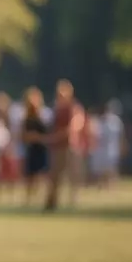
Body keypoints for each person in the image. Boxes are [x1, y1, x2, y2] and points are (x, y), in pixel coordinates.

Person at [44, 80, 82, 211]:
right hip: (57, 147)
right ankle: (52, 201)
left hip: (70, 146)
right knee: (54, 175)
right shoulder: (56, 109)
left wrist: (57, 136)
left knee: (73, 175)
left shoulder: (74, 108)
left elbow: (76, 125)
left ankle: (74, 201)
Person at [21, 87, 50, 203]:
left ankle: (40, 198)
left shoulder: (44, 115)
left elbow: (46, 134)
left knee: (42, 175)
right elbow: (24, 135)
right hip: (32, 149)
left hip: (42, 148)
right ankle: (29, 198)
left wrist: (38, 137)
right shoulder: (27, 118)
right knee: (30, 175)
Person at [91, 100, 125, 188]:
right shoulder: (99, 121)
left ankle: (111, 185)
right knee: (101, 169)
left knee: (111, 168)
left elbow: (121, 135)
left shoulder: (116, 121)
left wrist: (122, 145)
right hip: (101, 148)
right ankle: (101, 184)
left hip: (112, 147)